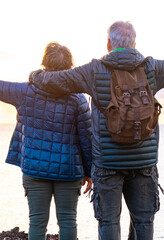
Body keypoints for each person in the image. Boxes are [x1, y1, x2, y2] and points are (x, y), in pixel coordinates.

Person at [29, 20, 164, 240]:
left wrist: (35, 75)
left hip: (107, 164)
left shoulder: (92, 71)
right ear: (134, 43)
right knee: (143, 222)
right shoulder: (152, 69)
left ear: (109, 43)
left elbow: (52, 81)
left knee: (109, 222)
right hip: (143, 163)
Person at [0, 42, 93, 240]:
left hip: (34, 168)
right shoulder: (78, 99)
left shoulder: (25, 91)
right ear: (69, 66)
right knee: (68, 220)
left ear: (44, 62)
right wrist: (89, 172)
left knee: (37, 222)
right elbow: (87, 138)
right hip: (69, 170)